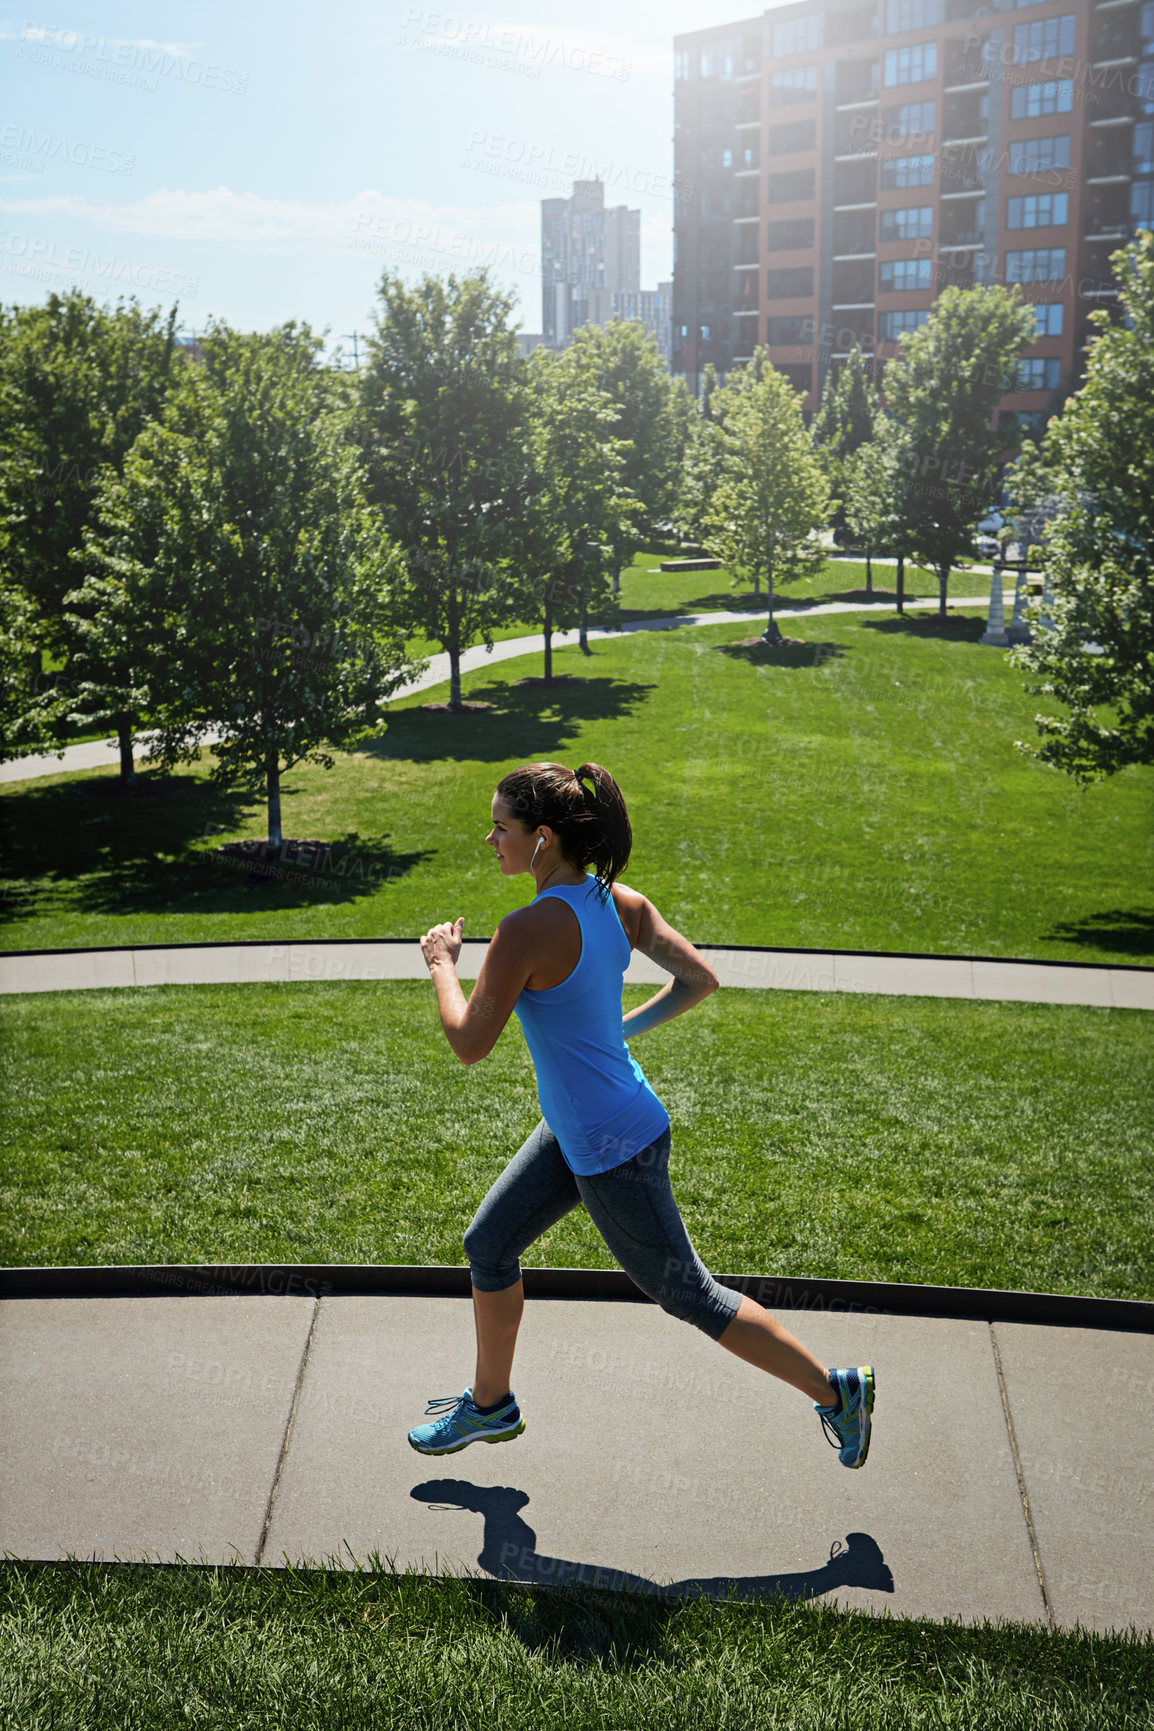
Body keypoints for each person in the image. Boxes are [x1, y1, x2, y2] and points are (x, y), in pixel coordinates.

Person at [411, 761, 874, 1467]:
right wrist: (613, 1034)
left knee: (692, 1294)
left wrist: (442, 961)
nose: (489, 838)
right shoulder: (618, 902)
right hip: (585, 1127)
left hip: (611, 1146)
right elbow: (699, 979)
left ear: (541, 839)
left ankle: (837, 1392)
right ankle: (491, 1405)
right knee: (488, 1245)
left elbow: (470, 1043)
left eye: (500, 827)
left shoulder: (525, 930)